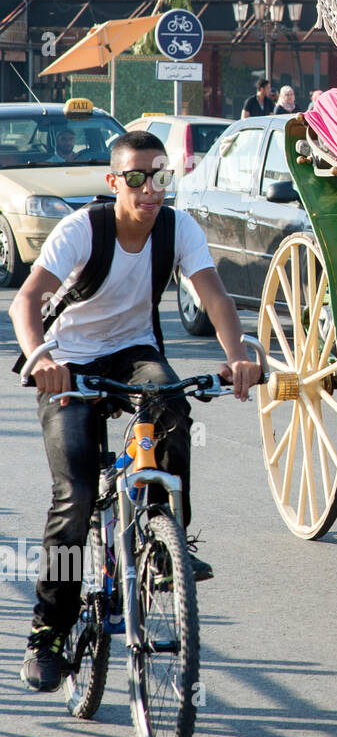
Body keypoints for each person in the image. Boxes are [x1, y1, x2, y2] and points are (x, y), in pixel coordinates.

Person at [11, 130, 261, 693]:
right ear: (114, 182)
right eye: (137, 178)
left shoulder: (178, 228)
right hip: (67, 362)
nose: (151, 190)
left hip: (133, 356)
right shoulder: (83, 229)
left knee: (170, 402)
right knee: (73, 498)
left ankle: (163, 539)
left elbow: (215, 295)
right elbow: (27, 299)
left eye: (161, 177)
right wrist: (41, 357)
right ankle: (47, 632)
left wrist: (238, 358)